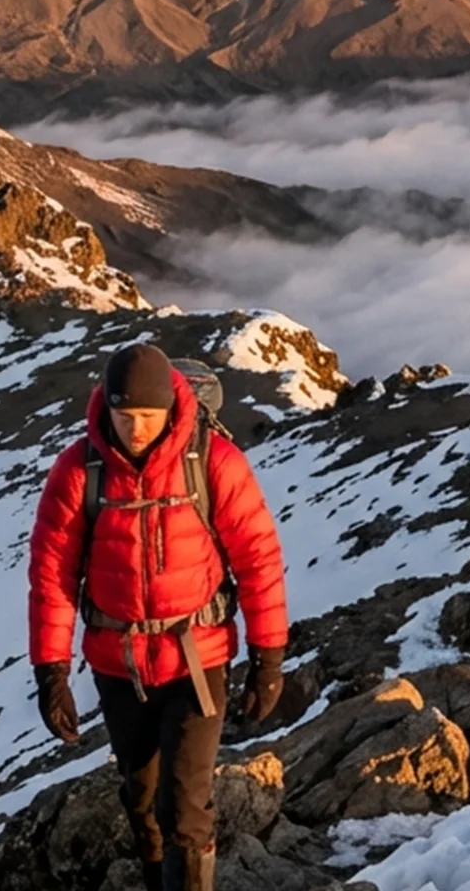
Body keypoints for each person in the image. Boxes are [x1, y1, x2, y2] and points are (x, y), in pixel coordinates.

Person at [27, 343, 289, 891]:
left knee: (185, 807)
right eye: (125, 417)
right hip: (118, 665)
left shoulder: (214, 463)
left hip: (198, 659)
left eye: (148, 417)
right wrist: (51, 673)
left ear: (172, 407)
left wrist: (269, 659)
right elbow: (52, 573)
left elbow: (259, 560)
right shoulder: (80, 471)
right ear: (106, 409)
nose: (137, 429)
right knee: (141, 798)